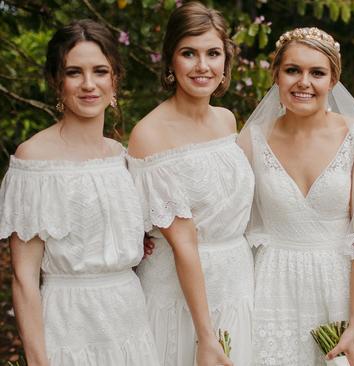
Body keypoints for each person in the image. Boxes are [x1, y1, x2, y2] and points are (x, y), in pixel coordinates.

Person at [238, 27, 354, 366]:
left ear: (332, 80)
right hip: (272, 290)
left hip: (342, 288)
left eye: (317, 73)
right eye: (293, 70)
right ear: (276, 75)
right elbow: (226, 218)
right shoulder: (251, 140)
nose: (304, 82)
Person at [0, 19, 159, 365]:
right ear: (57, 82)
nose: (89, 84)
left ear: (114, 79)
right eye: (74, 72)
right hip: (69, 327)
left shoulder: (121, 156)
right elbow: (24, 281)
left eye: (100, 71)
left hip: (131, 320)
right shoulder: (34, 160)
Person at [127, 3, 253, 366]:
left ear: (226, 62)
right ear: (170, 61)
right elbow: (184, 245)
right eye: (189, 54)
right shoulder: (149, 134)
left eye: (213, 53)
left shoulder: (227, 120)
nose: (202, 66)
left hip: (237, 280)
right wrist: (206, 335)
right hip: (181, 298)